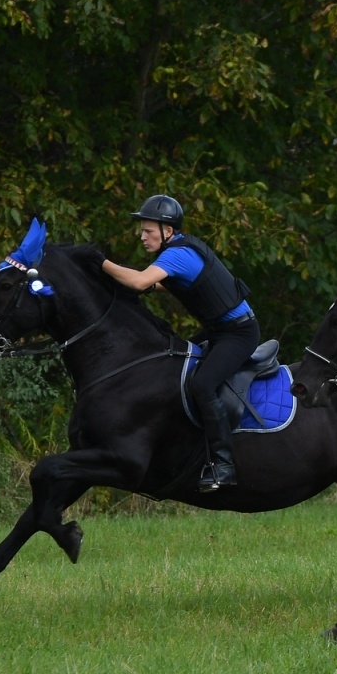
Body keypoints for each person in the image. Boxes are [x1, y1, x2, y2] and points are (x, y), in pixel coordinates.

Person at [102, 194, 258, 492]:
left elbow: (140, 282)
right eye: (142, 230)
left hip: (239, 334)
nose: (142, 237)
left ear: (167, 231)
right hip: (220, 330)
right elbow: (159, 283)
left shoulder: (176, 254)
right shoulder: (180, 249)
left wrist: (99, 262)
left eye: (148, 231)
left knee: (202, 385)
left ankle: (224, 466)